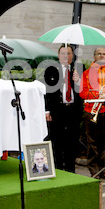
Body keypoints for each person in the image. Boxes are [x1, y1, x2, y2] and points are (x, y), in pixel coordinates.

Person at [80, 47, 105, 179]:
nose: (102, 56)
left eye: (104, 54)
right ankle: (93, 170)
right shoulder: (86, 73)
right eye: (99, 54)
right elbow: (82, 92)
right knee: (92, 142)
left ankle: (104, 168)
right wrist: (98, 94)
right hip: (91, 111)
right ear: (94, 57)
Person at [43, 44, 83, 173]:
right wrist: (47, 110)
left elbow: (84, 90)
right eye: (63, 53)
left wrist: (78, 81)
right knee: (57, 142)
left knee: (72, 142)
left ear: (73, 55)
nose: (66, 56)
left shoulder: (79, 69)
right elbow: (47, 91)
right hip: (57, 111)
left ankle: (71, 172)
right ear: (59, 55)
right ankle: (59, 170)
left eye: (69, 53)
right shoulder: (51, 69)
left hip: (73, 111)